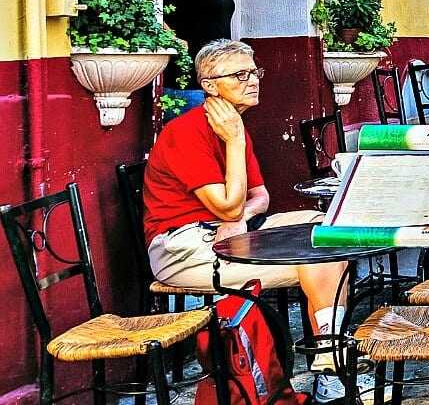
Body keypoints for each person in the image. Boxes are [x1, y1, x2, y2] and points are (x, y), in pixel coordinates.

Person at [145, 40, 356, 400]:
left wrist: (239, 218)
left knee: (328, 229)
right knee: (320, 257)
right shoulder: (187, 132)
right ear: (210, 86)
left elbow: (260, 198)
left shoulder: (233, 126)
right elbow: (226, 207)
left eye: (254, 72)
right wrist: (234, 146)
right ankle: (330, 371)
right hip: (183, 248)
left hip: (227, 234)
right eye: (240, 75)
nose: (253, 80)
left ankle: (328, 362)